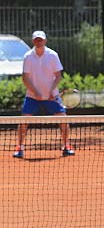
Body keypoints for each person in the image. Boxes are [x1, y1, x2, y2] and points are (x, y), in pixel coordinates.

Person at [13, 30, 75, 159]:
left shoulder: (53, 55)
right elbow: (25, 78)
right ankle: (19, 147)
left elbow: (58, 76)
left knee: (63, 119)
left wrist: (52, 91)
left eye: (41, 39)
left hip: (52, 97)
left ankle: (66, 146)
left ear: (45, 41)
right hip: (32, 97)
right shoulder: (28, 56)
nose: (39, 42)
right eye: (36, 39)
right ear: (33, 41)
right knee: (24, 121)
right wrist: (36, 93)